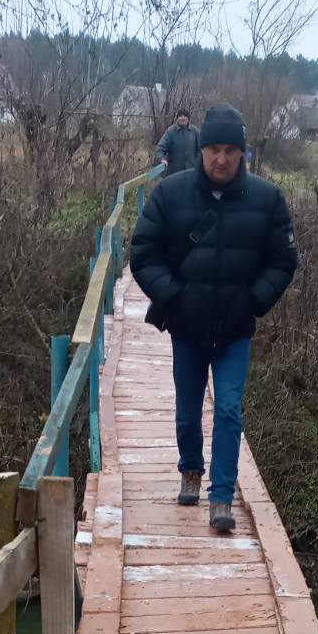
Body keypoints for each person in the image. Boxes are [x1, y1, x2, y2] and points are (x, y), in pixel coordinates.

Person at [131, 102, 297, 533]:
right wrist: (175, 296)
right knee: (188, 409)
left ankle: (221, 495)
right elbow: (143, 253)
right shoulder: (170, 193)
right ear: (201, 149)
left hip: (235, 329)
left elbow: (283, 261)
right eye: (213, 150)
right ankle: (190, 469)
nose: (220, 159)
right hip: (187, 326)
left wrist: (253, 301)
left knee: (227, 409)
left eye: (230, 150)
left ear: (242, 153)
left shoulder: (267, 199)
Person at [155, 109, 200, 174]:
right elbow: (160, 148)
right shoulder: (170, 131)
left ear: (188, 119)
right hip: (174, 173)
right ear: (177, 118)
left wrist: (197, 162)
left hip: (191, 172)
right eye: (180, 116)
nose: (183, 118)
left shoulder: (195, 131)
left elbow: (201, 150)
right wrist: (162, 159)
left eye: (185, 116)